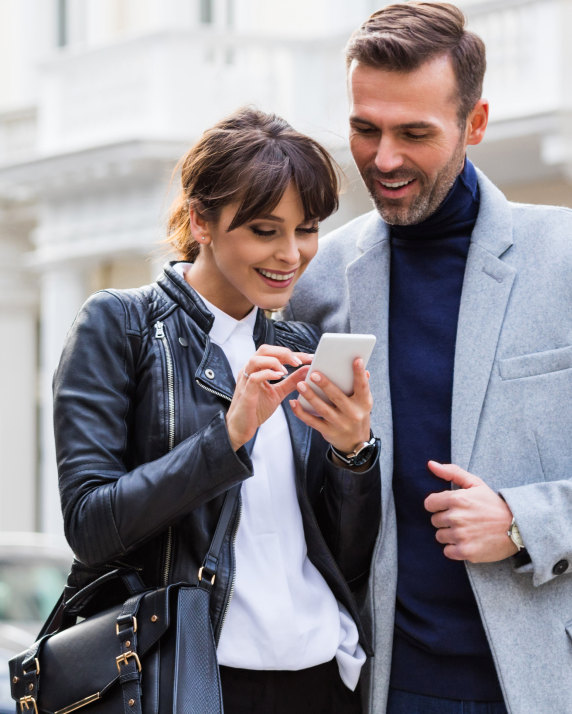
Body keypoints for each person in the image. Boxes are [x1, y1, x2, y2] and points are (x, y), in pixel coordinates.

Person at [285, 2, 572, 714]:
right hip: (388, 689)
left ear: (476, 123)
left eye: (415, 133)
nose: (386, 158)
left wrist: (527, 521)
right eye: (365, 130)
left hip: (567, 685)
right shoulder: (318, 280)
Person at [52, 107, 382, 714]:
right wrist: (230, 435)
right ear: (202, 220)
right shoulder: (121, 326)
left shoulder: (302, 348)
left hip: (321, 677)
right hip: (194, 678)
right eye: (265, 230)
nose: (292, 254)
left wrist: (354, 454)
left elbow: (350, 555)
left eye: (306, 228)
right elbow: (91, 525)